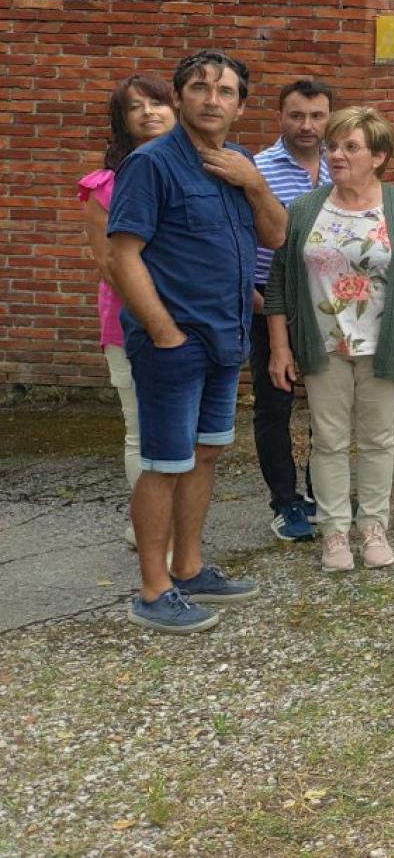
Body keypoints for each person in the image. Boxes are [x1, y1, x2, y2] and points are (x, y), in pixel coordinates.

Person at [105, 49, 287, 633]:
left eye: (226, 90)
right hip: (173, 344)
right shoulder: (151, 165)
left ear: (240, 105)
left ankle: (189, 567)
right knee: (163, 462)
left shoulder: (237, 162)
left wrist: (255, 183)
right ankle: (153, 590)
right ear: (179, 97)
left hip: (224, 338)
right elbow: (123, 255)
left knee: (204, 454)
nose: (213, 98)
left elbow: (276, 234)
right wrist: (161, 330)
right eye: (201, 87)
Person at [263, 107, 394, 573]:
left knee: (379, 439)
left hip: (383, 345)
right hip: (322, 346)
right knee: (328, 441)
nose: (337, 155)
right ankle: (335, 532)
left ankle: (374, 526)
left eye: (350, 147)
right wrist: (280, 348)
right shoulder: (303, 210)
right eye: (333, 147)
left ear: (378, 156)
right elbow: (279, 284)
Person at [78, 74, 178, 547]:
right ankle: (147, 525)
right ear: (122, 122)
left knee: (190, 432)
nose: (148, 112)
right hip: (129, 325)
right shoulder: (105, 188)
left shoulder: (198, 171)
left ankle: (181, 521)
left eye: (157, 102)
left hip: (193, 323)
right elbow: (110, 263)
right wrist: (156, 315)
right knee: (142, 431)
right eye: (135, 107)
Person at [250, 78, 334, 543]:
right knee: (275, 403)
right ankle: (285, 501)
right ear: (280, 116)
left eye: (317, 116)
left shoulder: (340, 167)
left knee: (329, 402)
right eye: (297, 115)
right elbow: (237, 240)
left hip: (328, 303)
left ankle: (320, 491)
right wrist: (254, 298)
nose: (307, 125)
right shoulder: (257, 169)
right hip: (269, 300)